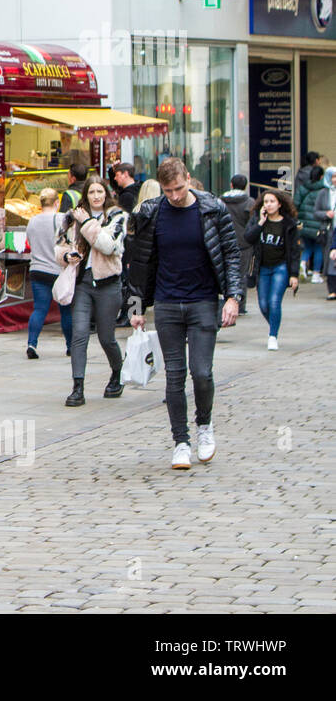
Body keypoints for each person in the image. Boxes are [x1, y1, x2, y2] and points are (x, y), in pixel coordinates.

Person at [128, 158, 243, 470]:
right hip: (166, 303)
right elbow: (139, 263)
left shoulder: (212, 208)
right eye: (168, 190)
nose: (175, 195)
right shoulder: (152, 212)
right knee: (175, 375)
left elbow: (232, 253)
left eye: (179, 188)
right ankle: (181, 441)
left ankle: (204, 425)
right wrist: (136, 306)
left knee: (202, 372)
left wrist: (233, 297)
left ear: (188, 180)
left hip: (203, 301)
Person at [56, 176, 128, 405]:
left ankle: (118, 373)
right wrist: (66, 256)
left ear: (106, 194)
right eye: (91, 192)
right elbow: (59, 246)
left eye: (100, 192)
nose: (96, 196)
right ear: (85, 195)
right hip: (82, 284)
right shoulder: (72, 218)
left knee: (107, 338)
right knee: (79, 335)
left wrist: (87, 222)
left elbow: (108, 246)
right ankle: (77, 387)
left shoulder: (117, 216)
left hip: (108, 284)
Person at [242, 189, 300, 351]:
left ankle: (272, 336)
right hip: (262, 268)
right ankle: (275, 325)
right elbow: (248, 238)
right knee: (263, 304)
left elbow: (295, 251)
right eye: (266, 201)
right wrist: (260, 222)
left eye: (272, 201)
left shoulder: (289, 224)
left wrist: (294, 275)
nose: (269, 204)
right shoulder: (257, 220)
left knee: (274, 301)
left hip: (281, 267)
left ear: (280, 204)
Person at [24, 188, 73, 360]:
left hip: (37, 270)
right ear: (57, 202)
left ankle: (32, 343)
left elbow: (29, 242)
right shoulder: (62, 219)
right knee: (66, 311)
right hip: (57, 271)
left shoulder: (32, 221)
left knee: (39, 309)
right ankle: (70, 346)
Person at [219, 175, 253, 315]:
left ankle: (226, 301)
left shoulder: (220, 201)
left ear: (231, 184)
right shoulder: (249, 202)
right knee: (241, 274)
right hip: (243, 243)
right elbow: (252, 224)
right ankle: (240, 304)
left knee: (224, 273)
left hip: (223, 241)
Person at [293, 151, 323, 278]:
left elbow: (296, 203)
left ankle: (303, 265)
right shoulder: (323, 190)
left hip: (304, 222)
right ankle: (316, 273)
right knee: (318, 248)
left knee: (306, 247)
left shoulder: (302, 186)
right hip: (318, 223)